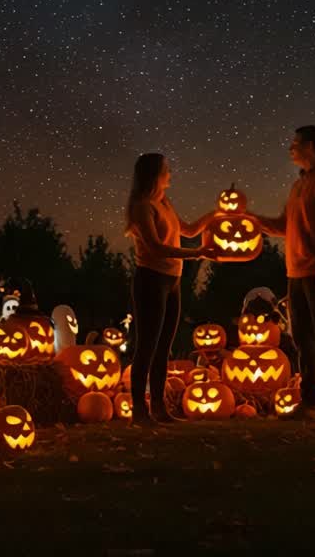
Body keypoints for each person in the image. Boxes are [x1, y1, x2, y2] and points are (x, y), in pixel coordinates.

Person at [254, 125, 315, 418]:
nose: (291, 148)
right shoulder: (299, 185)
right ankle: (311, 400)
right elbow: (284, 225)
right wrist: (252, 221)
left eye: (295, 143)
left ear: (311, 145)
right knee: (303, 337)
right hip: (295, 271)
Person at [124, 153, 216, 426]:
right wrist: (197, 253)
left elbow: (186, 230)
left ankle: (160, 409)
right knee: (147, 347)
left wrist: (214, 216)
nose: (171, 173)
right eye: (167, 169)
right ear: (154, 174)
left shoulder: (164, 202)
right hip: (151, 280)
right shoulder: (142, 206)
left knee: (164, 347)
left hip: (172, 281)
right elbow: (156, 247)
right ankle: (140, 409)